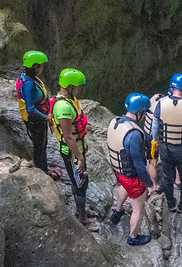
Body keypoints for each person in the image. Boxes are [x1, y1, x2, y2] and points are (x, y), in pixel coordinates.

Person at [51, 68, 99, 231]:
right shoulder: (63, 108)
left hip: (77, 150)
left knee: (79, 181)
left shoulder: (69, 101)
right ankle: (82, 219)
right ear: (70, 87)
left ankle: (81, 210)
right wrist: (80, 158)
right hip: (72, 153)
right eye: (77, 87)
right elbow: (68, 136)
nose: (79, 90)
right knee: (80, 183)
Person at [107, 93, 155, 246]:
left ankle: (118, 211)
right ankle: (133, 237)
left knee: (123, 187)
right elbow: (139, 165)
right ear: (139, 112)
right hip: (132, 177)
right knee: (138, 208)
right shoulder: (134, 135)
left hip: (119, 171)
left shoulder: (115, 122)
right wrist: (150, 184)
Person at [151, 73, 182, 214]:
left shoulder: (161, 103)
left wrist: (155, 141)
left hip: (165, 147)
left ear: (172, 87)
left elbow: (155, 126)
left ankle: (171, 204)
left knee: (167, 176)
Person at [17, 50, 60, 179]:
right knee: (39, 147)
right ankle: (42, 173)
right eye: (41, 66)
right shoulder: (29, 83)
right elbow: (30, 108)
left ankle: (44, 170)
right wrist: (46, 117)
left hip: (38, 118)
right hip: (35, 120)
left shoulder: (30, 78)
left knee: (42, 145)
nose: (42, 68)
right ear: (35, 66)